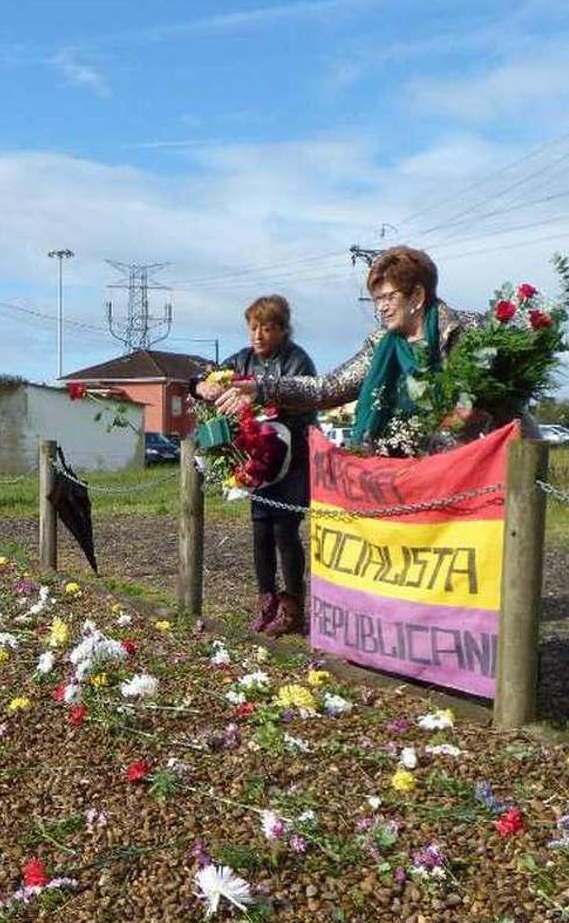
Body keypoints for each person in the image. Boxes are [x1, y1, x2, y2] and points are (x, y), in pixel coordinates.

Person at [213, 245, 520, 453]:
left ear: (417, 296)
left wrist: (441, 440)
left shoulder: (467, 332)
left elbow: (480, 396)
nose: (382, 308)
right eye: (377, 300)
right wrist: (262, 387)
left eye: (388, 297)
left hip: (470, 471)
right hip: (400, 471)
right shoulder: (381, 345)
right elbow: (326, 388)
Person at [193, 295, 316, 637]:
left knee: (285, 531)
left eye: (267, 328)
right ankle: (267, 603)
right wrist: (201, 383)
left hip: (292, 460)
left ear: (282, 330)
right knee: (261, 531)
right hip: (259, 460)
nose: (258, 335)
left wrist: (262, 399)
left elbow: (302, 398)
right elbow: (205, 373)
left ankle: (293, 610)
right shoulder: (243, 359)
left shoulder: (297, 361)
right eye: (253, 328)